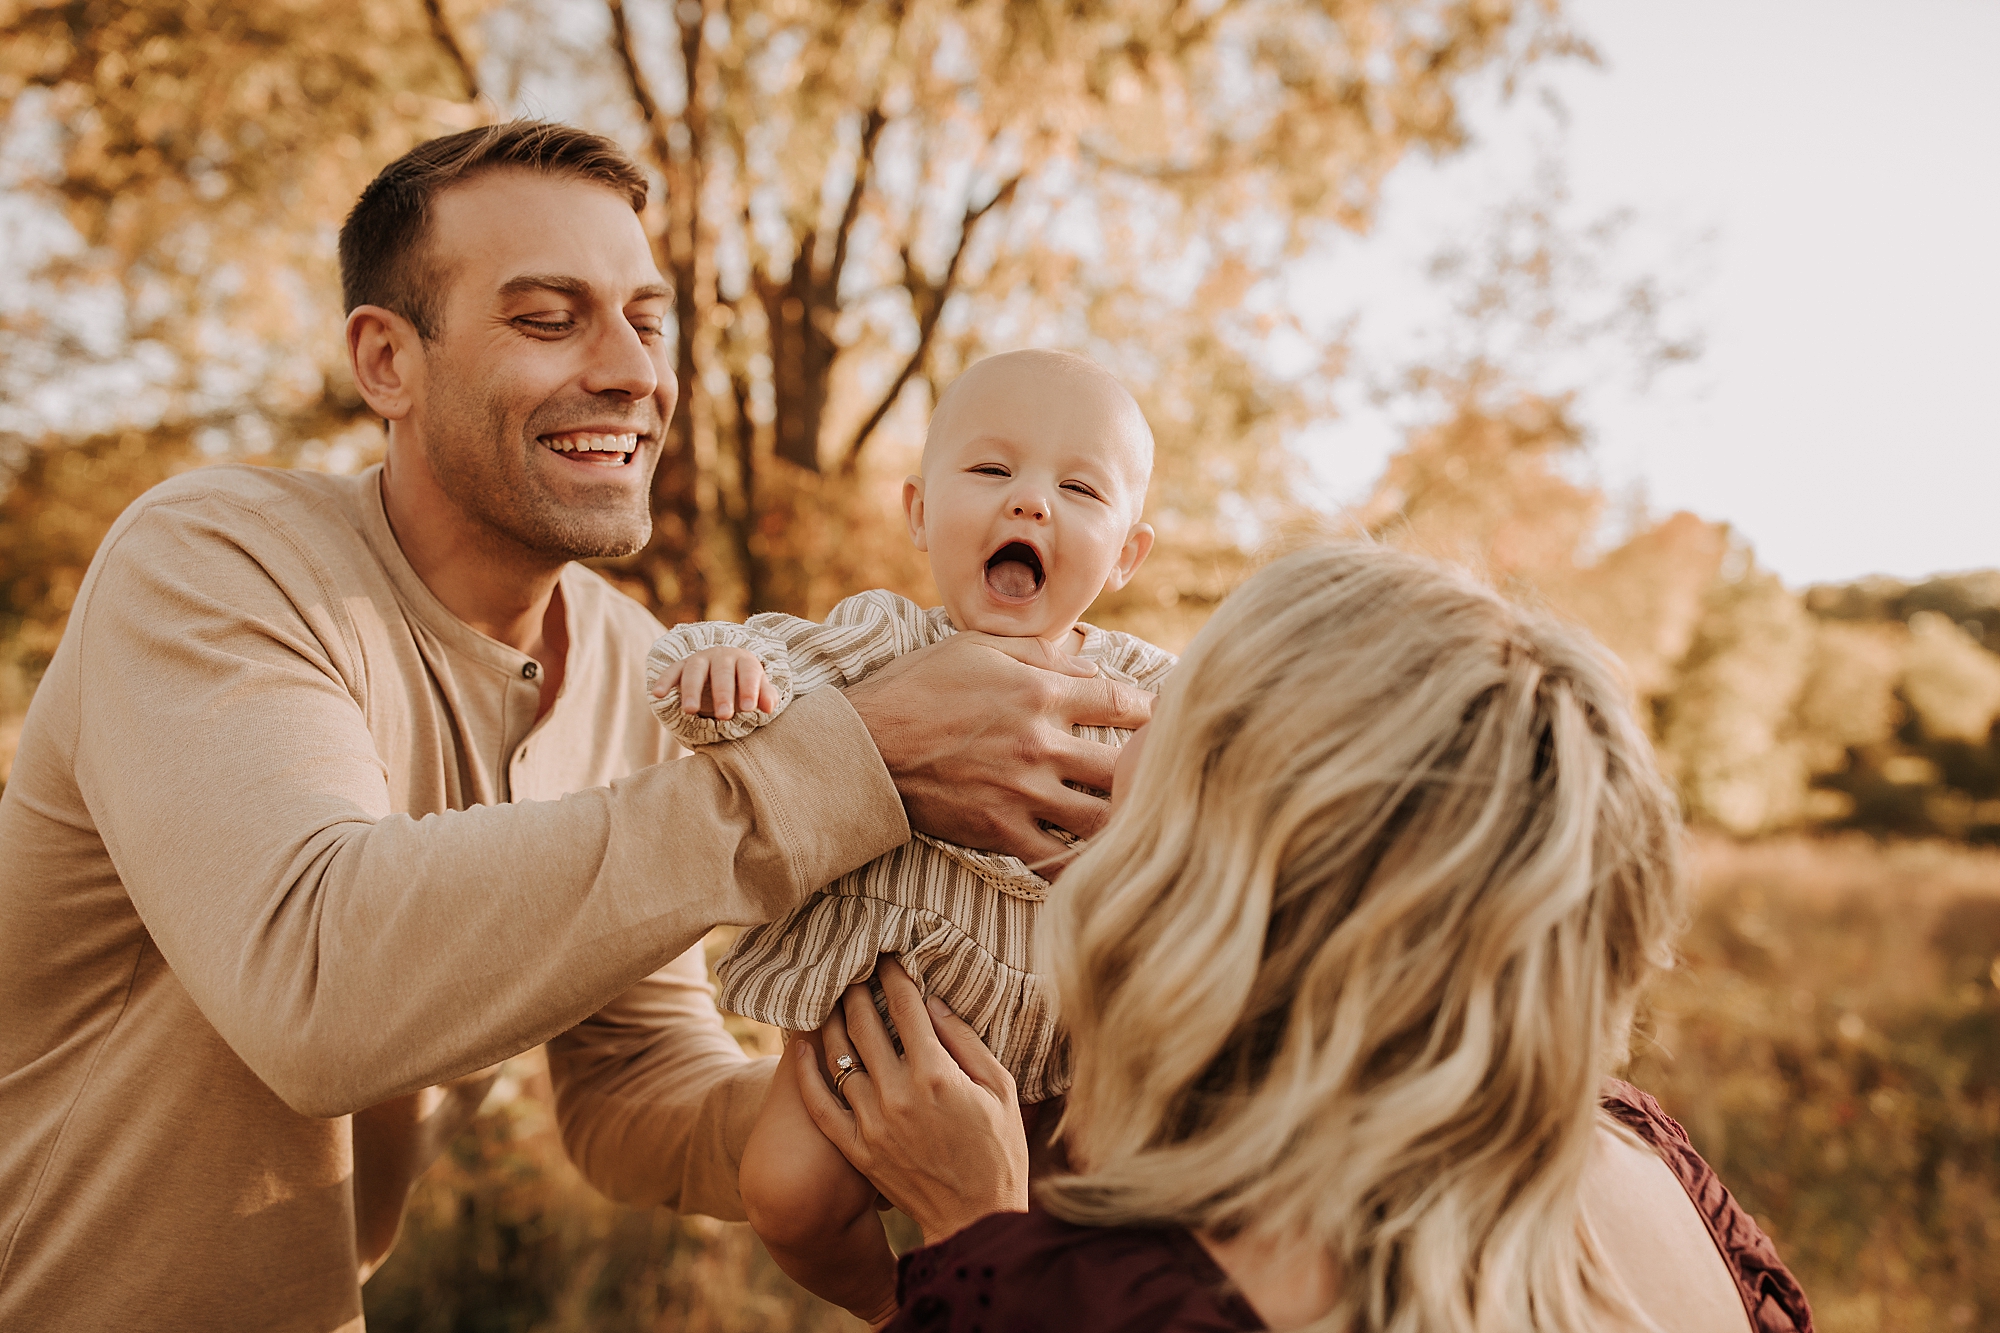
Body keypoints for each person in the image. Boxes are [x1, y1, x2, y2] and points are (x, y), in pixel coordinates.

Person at [0, 121, 1152, 1332]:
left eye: (647, 321)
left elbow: (630, 1077)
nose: (630, 372)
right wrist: (857, 758)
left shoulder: (623, 656)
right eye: (549, 319)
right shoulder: (214, 563)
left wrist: (877, 1100)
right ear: (386, 360)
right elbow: (316, 981)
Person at [796, 544, 1816, 1332]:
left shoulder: (1100, 1295)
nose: (1127, 735)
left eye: (1174, 705)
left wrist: (979, 1243)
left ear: (1230, 852)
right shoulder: (1626, 1146)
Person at [648, 348, 1174, 1321]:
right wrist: (724, 671)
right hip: (876, 1005)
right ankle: (895, 1309)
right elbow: (763, 656)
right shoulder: (884, 641)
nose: (1029, 505)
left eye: (1076, 487)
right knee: (787, 1192)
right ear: (920, 512)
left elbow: (1238, 743)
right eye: (990, 471)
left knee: (1102, 1206)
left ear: (1126, 555)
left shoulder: (1138, 687)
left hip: (1065, 1034)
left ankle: (1006, 1300)